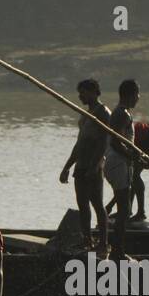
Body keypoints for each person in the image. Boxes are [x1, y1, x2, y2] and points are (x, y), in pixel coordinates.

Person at [59, 78, 111, 254]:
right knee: (82, 204)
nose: (80, 96)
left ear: (94, 92)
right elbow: (79, 143)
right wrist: (67, 167)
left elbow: (104, 142)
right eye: (79, 93)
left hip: (94, 166)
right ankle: (87, 240)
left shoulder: (103, 112)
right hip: (81, 165)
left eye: (83, 92)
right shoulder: (85, 114)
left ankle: (103, 242)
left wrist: (95, 166)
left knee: (97, 203)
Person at [103, 79, 140, 259]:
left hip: (118, 162)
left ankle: (116, 247)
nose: (138, 98)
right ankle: (118, 251)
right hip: (118, 163)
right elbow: (116, 142)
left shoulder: (122, 113)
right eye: (137, 94)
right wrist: (130, 156)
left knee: (123, 206)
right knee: (124, 209)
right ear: (130, 94)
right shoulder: (122, 114)